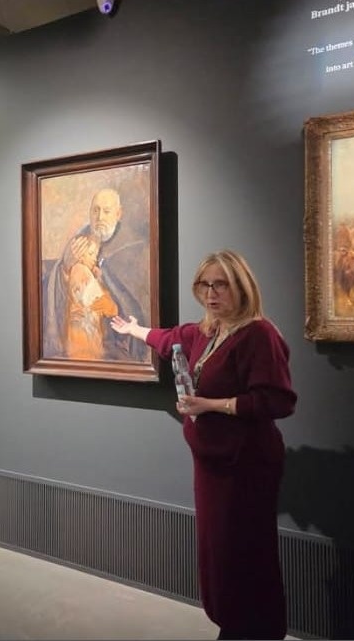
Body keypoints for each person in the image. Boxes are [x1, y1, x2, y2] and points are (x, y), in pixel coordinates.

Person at [110, 249, 296, 640]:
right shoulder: (208, 331)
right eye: (205, 285)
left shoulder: (258, 334)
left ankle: (252, 629)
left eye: (221, 285)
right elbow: (169, 340)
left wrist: (210, 405)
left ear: (241, 286)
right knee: (218, 553)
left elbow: (277, 401)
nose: (211, 294)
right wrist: (134, 330)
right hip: (211, 466)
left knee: (242, 553)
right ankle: (234, 623)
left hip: (244, 466)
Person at [43, 187, 150, 362]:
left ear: (118, 214)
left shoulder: (132, 246)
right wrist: (65, 269)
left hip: (114, 342)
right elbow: (52, 291)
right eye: (95, 210)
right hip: (80, 337)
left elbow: (133, 303)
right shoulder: (79, 242)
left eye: (106, 211)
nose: (100, 217)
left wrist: (111, 305)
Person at [65, 234, 118, 359]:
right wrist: (99, 280)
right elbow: (108, 308)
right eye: (91, 254)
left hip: (85, 332)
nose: (94, 259)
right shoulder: (81, 270)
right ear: (80, 255)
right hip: (84, 336)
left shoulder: (79, 271)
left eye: (96, 254)